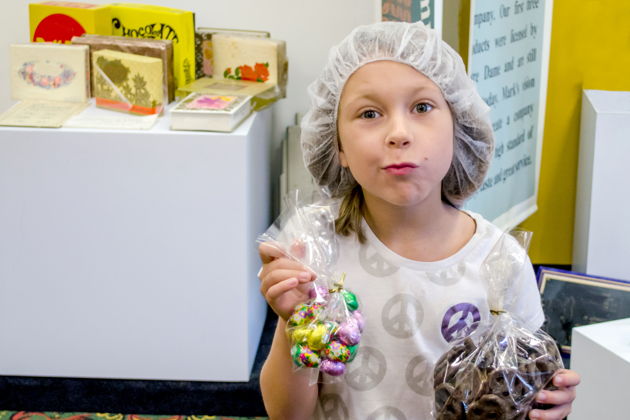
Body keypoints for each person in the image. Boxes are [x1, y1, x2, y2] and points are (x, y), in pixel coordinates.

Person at [258, 21, 579, 420]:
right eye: (369, 113)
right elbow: (286, 415)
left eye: (422, 107)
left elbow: (521, 389)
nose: (399, 133)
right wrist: (293, 324)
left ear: (459, 127)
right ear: (337, 145)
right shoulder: (313, 244)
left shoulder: (500, 261)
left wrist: (547, 404)